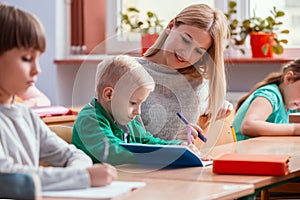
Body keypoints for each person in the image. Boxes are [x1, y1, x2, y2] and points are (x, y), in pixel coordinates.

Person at [0, 3, 117, 191]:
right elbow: (9, 178)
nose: (37, 69)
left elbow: (73, 155)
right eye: (27, 59)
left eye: (38, 58)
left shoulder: (25, 114)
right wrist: (82, 177)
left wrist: (77, 174)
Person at [72, 55, 203, 165]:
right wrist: (164, 154)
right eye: (133, 103)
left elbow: (147, 141)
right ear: (109, 95)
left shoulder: (125, 119)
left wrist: (178, 147)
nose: (138, 111)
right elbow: (113, 152)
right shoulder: (89, 119)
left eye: (140, 104)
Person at [136, 4, 233, 141]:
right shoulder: (125, 69)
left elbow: (204, 119)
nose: (186, 54)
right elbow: (119, 140)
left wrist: (220, 105)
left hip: (186, 162)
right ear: (171, 26)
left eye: (198, 51)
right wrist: (174, 146)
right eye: (185, 40)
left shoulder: (198, 83)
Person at [232, 59, 300, 141]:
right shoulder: (269, 95)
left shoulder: (291, 104)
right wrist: (294, 129)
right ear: (288, 78)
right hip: (242, 151)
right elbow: (248, 126)